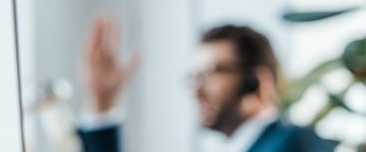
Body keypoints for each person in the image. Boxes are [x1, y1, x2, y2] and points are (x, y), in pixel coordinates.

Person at [75, 16, 333, 152]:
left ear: (257, 81)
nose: (197, 90)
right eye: (194, 77)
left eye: (211, 74)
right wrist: (102, 105)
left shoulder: (297, 145)